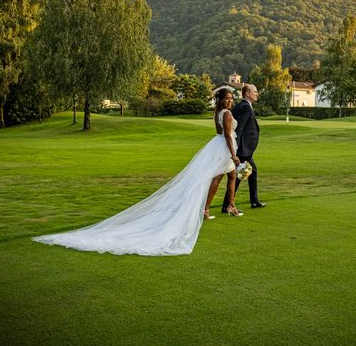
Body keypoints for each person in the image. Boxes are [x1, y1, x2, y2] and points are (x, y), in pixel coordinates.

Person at [33, 88, 242, 256]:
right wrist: (233, 154)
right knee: (217, 177)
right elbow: (224, 135)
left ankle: (222, 207)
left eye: (232, 98)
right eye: (227, 98)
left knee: (225, 176)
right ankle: (211, 208)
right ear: (221, 100)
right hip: (224, 147)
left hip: (217, 146)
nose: (230, 101)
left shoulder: (218, 113)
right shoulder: (227, 114)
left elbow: (219, 132)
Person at [222, 83, 266, 212]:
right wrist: (236, 150)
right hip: (242, 149)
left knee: (247, 173)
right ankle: (228, 205)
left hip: (244, 149)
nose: (257, 93)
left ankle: (253, 201)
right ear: (247, 93)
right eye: (255, 91)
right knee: (239, 175)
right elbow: (239, 130)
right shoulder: (245, 107)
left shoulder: (244, 106)